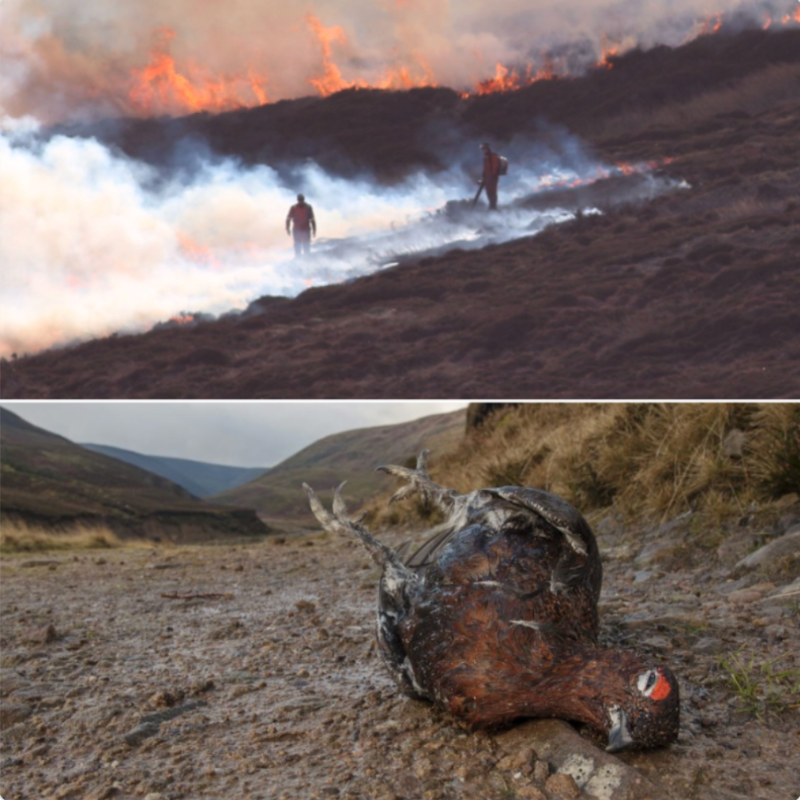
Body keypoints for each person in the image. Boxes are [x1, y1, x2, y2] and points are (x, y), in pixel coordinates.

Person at [480, 142, 501, 210]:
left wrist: (491, 177)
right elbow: (486, 168)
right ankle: (491, 205)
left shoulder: (493, 156)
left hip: (492, 178)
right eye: (483, 149)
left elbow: (494, 168)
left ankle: (493, 206)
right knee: (489, 192)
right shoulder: (486, 157)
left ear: (488, 149)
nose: (484, 150)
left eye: (485, 149)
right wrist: (484, 177)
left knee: (492, 192)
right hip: (488, 178)